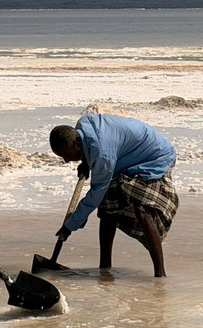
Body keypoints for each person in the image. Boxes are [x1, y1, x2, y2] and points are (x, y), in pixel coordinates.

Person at [49, 114, 178, 277]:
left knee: (142, 209)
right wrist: (86, 161)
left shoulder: (102, 154)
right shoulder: (83, 125)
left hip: (155, 158)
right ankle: (104, 268)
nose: (67, 160)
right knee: (106, 209)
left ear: (77, 143)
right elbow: (95, 150)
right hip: (127, 158)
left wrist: (70, 225)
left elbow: (94, 197)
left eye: (67, 154)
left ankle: (160, 274)